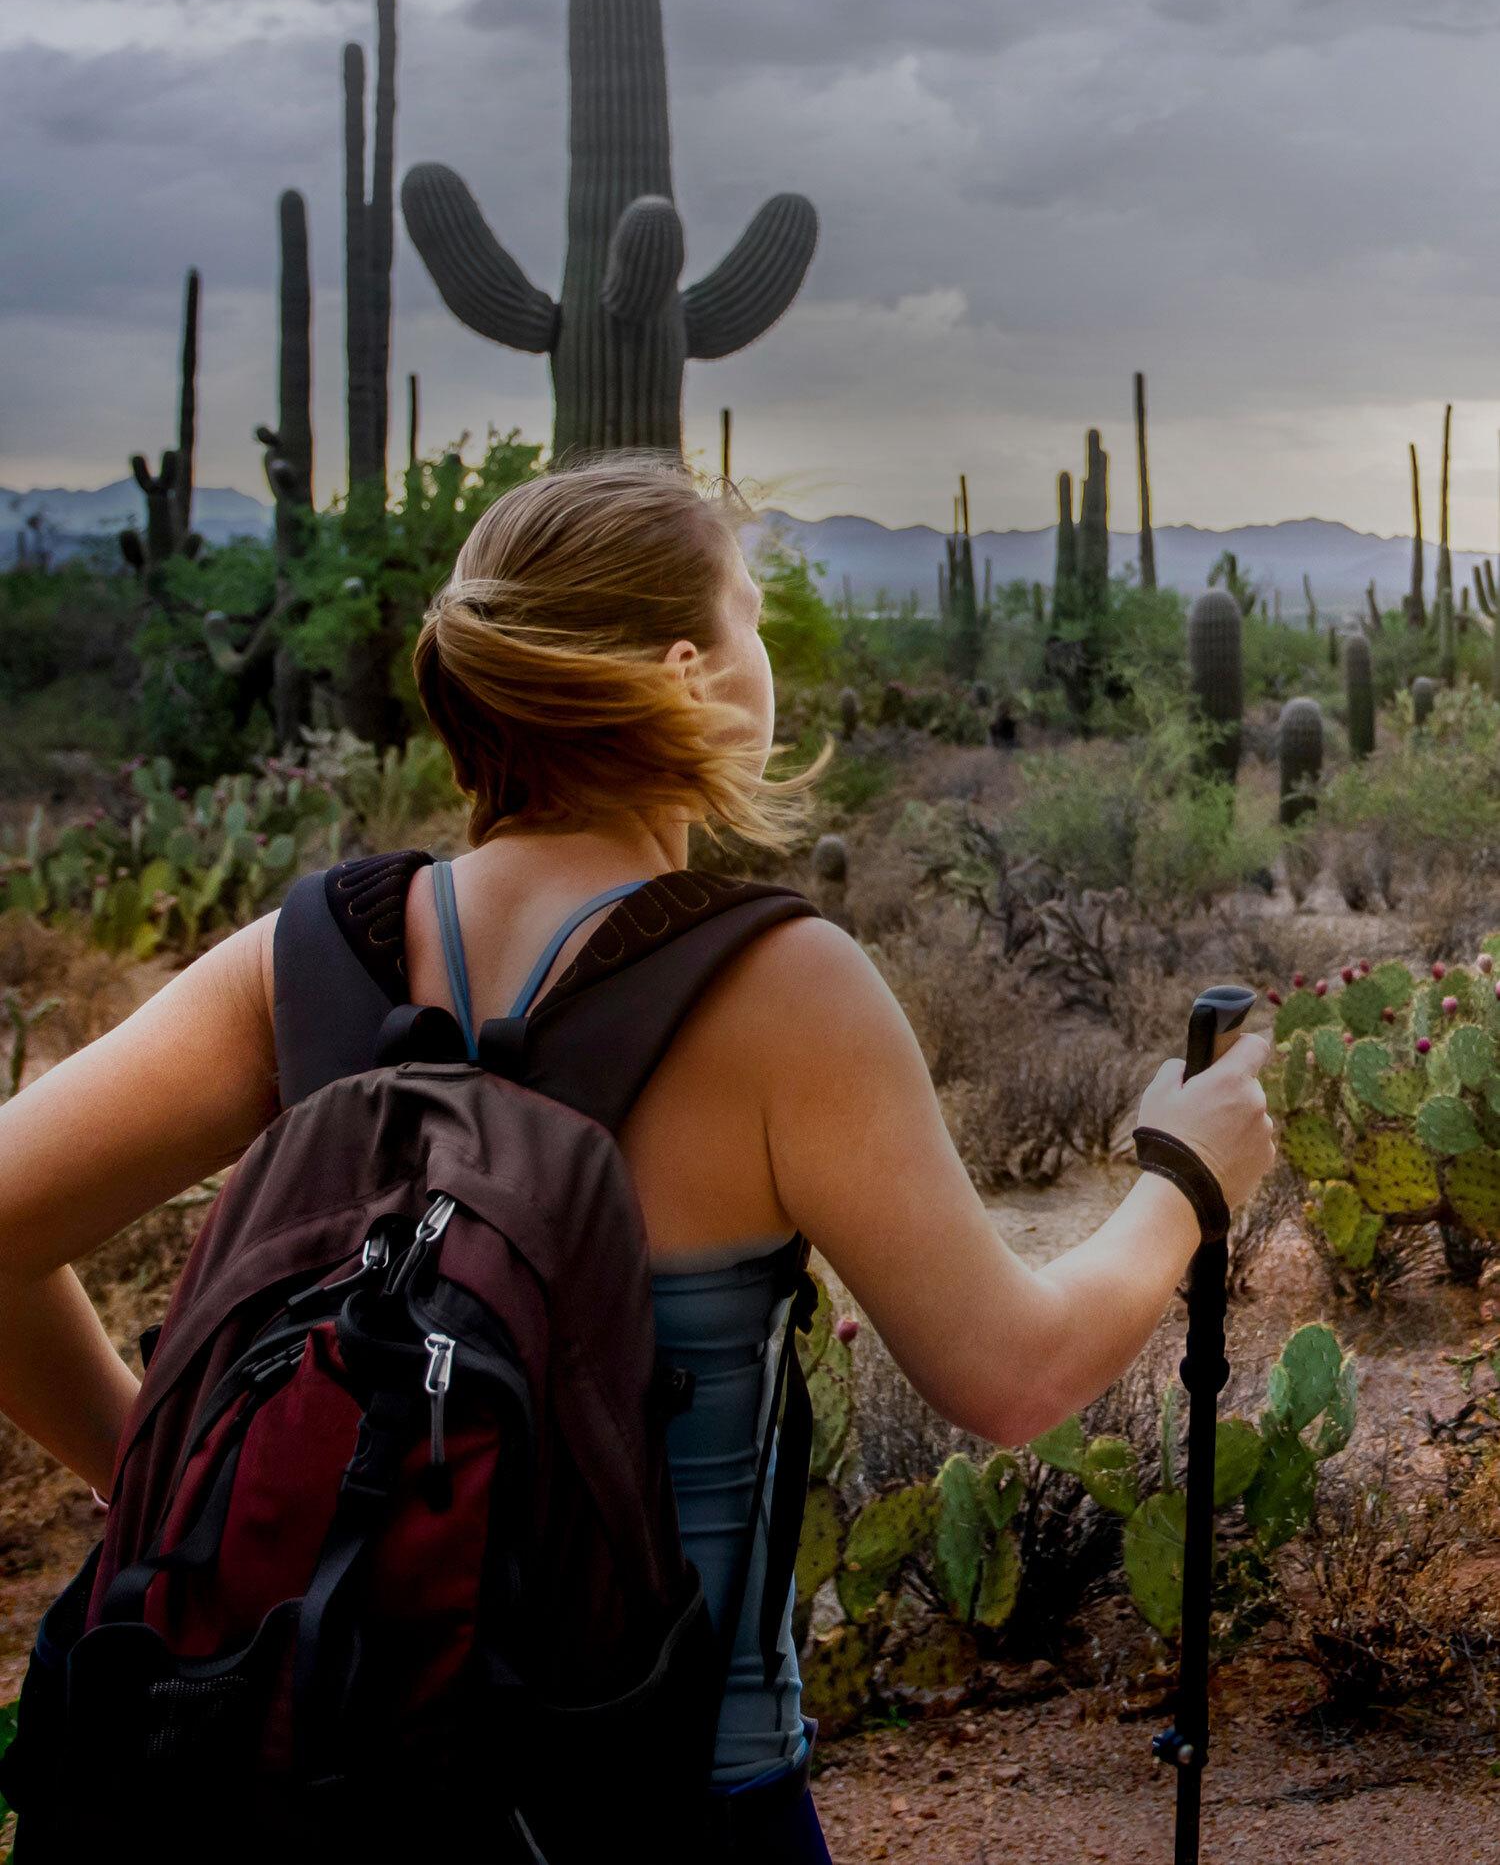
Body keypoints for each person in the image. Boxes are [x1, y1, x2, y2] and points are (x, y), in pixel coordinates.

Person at [0, 451, 1275, 1861]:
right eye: (750, 622)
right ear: (692, 671)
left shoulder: (302, 959)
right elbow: (1011, 1373)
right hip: (672, 1801)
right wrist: (1183, 1182)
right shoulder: (784, 986)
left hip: (308, 1779)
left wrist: (152, 1470)